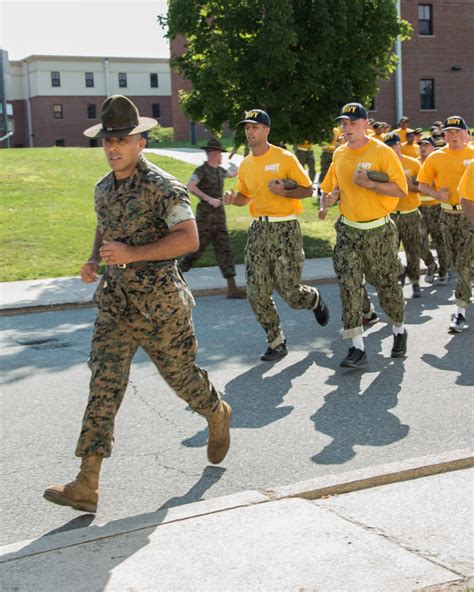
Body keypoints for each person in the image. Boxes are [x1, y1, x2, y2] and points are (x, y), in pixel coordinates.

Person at [43, 95, 231, 513]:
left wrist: (132, 253)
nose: (113, 147)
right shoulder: (103, 188)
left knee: (182, 380)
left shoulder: (163, 186)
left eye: (122, 140)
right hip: (116, 305)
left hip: (161, 306)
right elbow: (104, 226)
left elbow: (189, 238)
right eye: (108, 140)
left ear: (140, 142)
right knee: (103, 385)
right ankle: (86, 482)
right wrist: (96, 258)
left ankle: (216, 412)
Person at [223, 108, 329, 362]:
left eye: (255, 127)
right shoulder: (246, 165)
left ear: (266, 130)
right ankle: (276, 341)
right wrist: (232, 199)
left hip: (285, 229)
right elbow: (244, 197)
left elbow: (306, 190)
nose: (250, 132)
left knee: (290, 293)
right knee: (256, 291)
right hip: (258, 229)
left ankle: (312, 298)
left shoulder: (285, 157)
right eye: (247, 128)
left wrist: (284, 194)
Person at [320, 102, 408, 368]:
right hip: (348, 230)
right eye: (343, 123)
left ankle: (399, 330)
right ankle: (356, 347)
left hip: (379, 231)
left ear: (365, 124)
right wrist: (331, 198)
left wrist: (369, 183)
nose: (346, 128)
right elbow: (329, 190)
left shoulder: (382, 152)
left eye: (352, 123)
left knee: (387, 287)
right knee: (348, 285)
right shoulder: (339, 155)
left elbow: (400, 190)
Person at [418, 115, 474, 333]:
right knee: (457, 263)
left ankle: (459, 313)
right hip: (447, 216)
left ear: (466, 134)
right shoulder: (436, 157)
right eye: (448, 133)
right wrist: (437, 194)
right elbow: (422, 184)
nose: (453, 136)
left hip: (470, 215)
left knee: (466, 263)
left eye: (457, 132)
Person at [179, 138, 246, 299]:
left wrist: (236, 164)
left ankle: (232, 288)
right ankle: (174, 279)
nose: (221, 156)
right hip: (205, 216)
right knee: (195, 250)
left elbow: (232, 173)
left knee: (225, 250)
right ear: (214, 154)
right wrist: (209, 199)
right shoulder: (202, 170)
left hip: (219, 216)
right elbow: (190, 185)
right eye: (219, 153)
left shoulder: (219, 170)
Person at [384, 132, 423, 298]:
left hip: (410, 214)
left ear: (400, 144)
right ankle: (399, 274)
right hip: (391, 215)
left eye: (395, 143)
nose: (393, 147)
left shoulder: (413, 163)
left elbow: (422, 186)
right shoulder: (382, 165)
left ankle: (415, 282)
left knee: (413, 250)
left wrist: (409, 186)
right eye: (389, 145)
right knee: (390, 251)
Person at [417, 136, 448, 284]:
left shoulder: (439, 162)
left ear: (433, 147)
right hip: (420, 208)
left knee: (439, 240)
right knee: (419, 241)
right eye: (421, 145)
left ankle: (443, 271)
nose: (423, 148)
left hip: (436, 207)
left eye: (426, 145)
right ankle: (431, 264)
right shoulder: (416, 163)